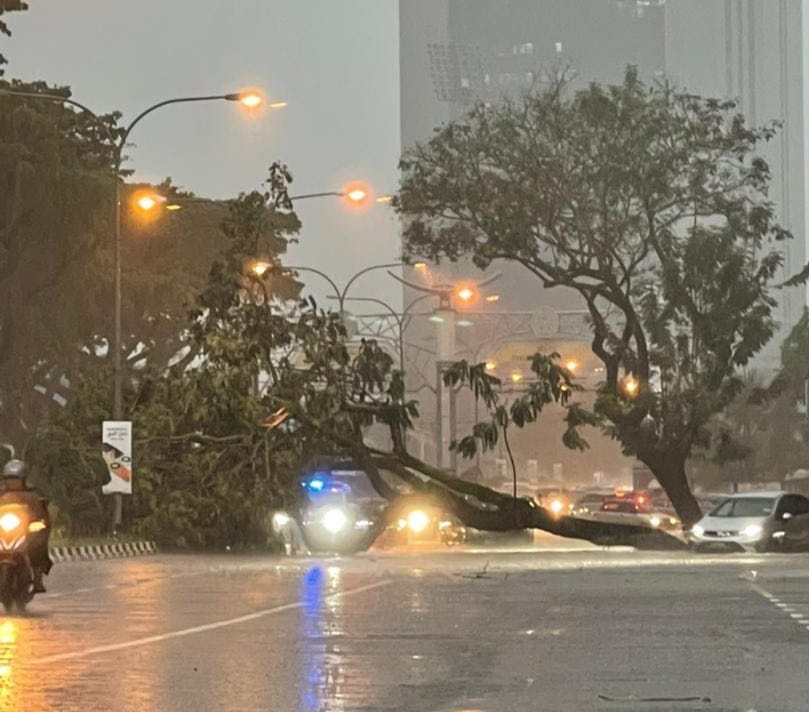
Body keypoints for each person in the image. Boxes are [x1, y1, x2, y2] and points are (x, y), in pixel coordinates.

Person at [0, 460, 52, 593]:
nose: (12, 482)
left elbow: (42, 516)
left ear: (23, 479)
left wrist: (38, 524)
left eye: (15, 479)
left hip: (25, 531)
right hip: (3, 530)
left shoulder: (33, 495)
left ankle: (38, 580)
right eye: (9, 479)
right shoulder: (1, 493)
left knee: (37, 548)